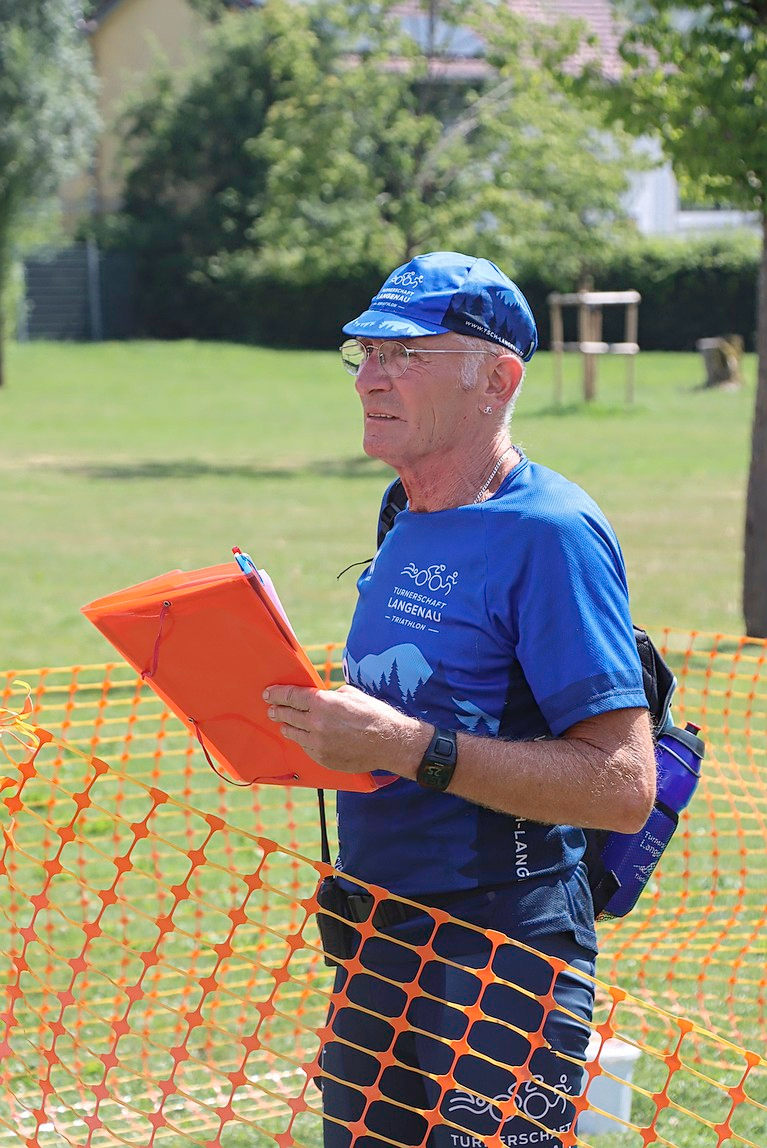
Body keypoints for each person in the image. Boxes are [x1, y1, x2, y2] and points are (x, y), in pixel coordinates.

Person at [264, 251, 656, 1148]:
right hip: (375, 931)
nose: (368, 377)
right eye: (362, 352)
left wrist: (408, 747)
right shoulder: (402, 508)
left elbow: (621, 783)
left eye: (405, 354)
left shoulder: (549, 535)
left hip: (500, 947)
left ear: (498, 377)